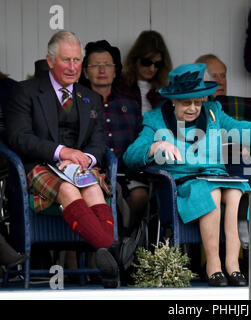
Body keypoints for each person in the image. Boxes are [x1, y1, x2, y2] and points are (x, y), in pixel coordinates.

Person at [123, 63, 251, 286]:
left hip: (218, 177)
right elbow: (130, 156)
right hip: (183, 182)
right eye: (186, 103)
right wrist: (154, 148)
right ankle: (213, 265)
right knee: (211, 193)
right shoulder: (156, 120)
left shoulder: (213, 112)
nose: (193, 108)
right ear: (173, 100)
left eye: (198, 101)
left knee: (238, 194)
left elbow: (241, 129)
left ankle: (233, 265)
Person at [5, 30, 135, 288]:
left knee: (94, 189)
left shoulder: (90, 98)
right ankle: (116, 251)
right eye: (66, 60)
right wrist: (61, 151)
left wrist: (85, 158)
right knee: (67, 188)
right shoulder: (26, 91)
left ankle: (108, 260)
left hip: (79, 167)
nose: (73, 67)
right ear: (50, 60)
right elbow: (18, 138)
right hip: (40, 165)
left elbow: (99, 143)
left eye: (77, 60)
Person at [79, 40, 148, 238]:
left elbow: (139, 141)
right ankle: (101, 251)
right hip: (91, 174)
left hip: (127, 175)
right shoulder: (79, 104)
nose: (102, 70)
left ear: (115, 71)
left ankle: (124, 242)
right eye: (95, 65)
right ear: (85, 72)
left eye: (107, 65)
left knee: (140, 196)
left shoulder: (130, 105)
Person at [115, 30, 172, 116]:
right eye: (146, 62)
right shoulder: (120, 86)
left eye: (157, 64)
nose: (152, 69)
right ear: (135, 59)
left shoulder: (164, 91)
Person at [195, 54, 251, 122]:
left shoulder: (243, 107)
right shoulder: (193, 109)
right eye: (213, 76)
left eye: (223, 76)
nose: (220, 82)